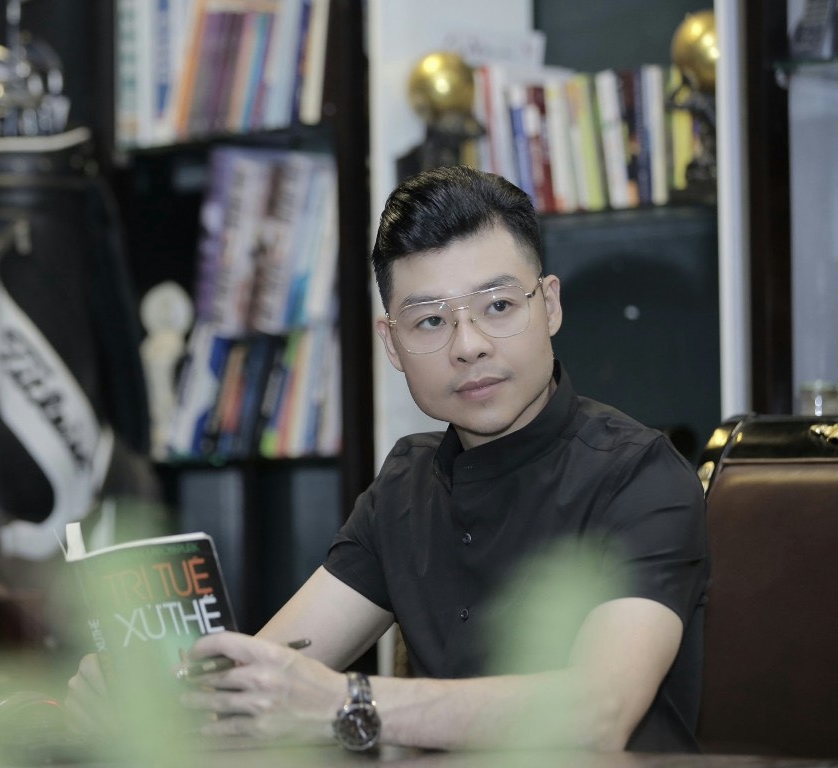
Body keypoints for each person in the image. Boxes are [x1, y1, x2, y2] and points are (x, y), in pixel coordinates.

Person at [67, 165, 708, 754]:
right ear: (392, 343)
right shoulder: (405, 485)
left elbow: (597, 712)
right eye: (429, 321)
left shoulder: (642, 476)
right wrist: (148, 700)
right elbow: (266, 677)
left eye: (498, 306)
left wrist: (347, 701)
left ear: (551, 306)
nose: (468, 345)